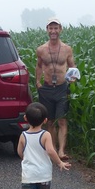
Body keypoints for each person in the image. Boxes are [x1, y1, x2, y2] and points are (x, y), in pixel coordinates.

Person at [17, 102, 71, 189]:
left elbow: (20, 151)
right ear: (45, 120)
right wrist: (59, 163)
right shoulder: (45, 135)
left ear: (25, 118)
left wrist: (26, 158)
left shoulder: (23, 135)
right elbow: (51, 151)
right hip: (43, 174)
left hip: (28, 174)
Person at [36, 17, 76, 161]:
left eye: (56, 28)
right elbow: (39, 66)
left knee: (62, 121)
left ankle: (61, 151)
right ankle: (51, 149)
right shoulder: (41, 49)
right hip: (47, 88)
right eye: (50, 28)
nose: (53, 31)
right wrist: (37, 82)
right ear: (47, 30)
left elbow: (72, 66)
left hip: (61, 88)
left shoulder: (67, 49)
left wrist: (73, 77)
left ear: (60, 30)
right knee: (50, 121)